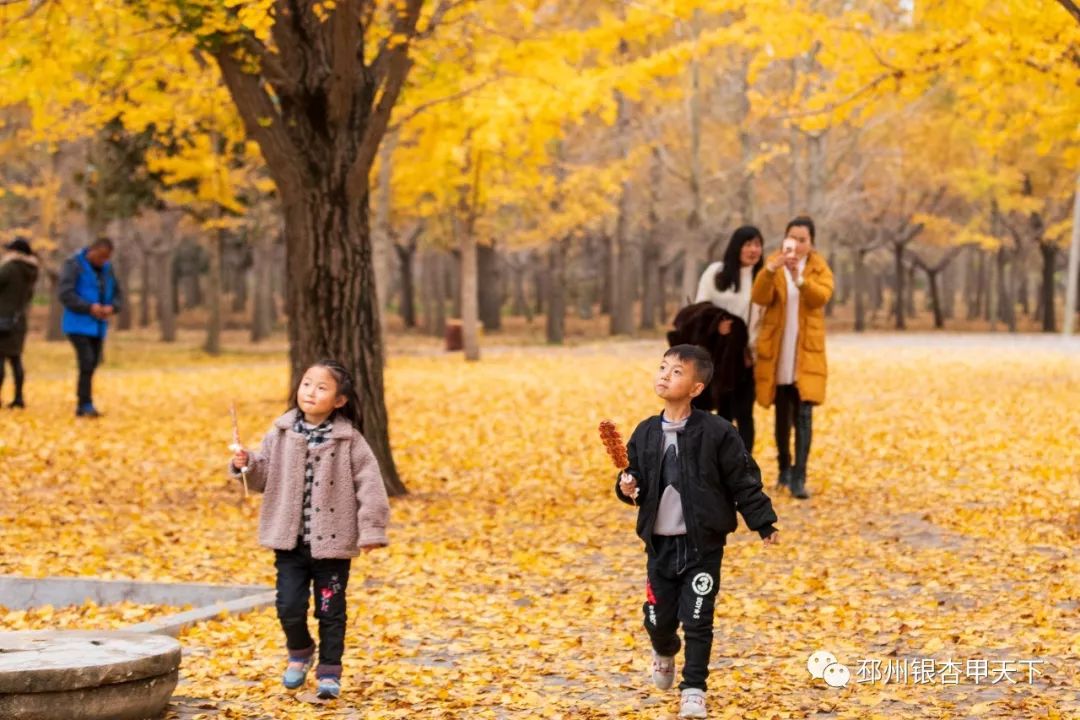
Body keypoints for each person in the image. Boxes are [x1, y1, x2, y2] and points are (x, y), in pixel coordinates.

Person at [616, 344, 779, 719]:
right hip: (659, 547)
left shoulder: (718, 432)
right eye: (663, 367)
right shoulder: (645, 432)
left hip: (702, 546)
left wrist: (763, 522)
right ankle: (664, 648)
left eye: (677, 372)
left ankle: (693, 689)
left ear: (696, 388)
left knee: (698, 618)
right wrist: (626, 487)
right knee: (658, 620)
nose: (665, 375)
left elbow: (742, 479)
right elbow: (634, 480)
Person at [230, 359, 390, 700]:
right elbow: (261, 477)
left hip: (332, 546)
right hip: (290, 544)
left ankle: (329, 671)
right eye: (306, 384)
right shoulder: (281, 432)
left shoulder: (349, 440)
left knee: (331, 611)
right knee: (289, 606)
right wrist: (245, 464)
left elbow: (371, 486)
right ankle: (300, 650)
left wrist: (372, 530)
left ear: (339, 400)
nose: (310, 392)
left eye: (321, 387)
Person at [751, 216, 834, 500]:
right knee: (782, 415)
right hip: (779, 351)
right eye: (792, 238)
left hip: (806, 353)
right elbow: (759, 297)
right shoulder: (773, 264)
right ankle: (784, 470)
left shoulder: (818, 267)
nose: (796, 245)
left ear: (811, 243)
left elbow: (821, 297)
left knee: (804, 414)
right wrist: (769, 271)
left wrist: (799, 279)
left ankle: (800, 476)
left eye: (802, 239)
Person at [693, 226, 765, 451]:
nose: (753, 250)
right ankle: (718, 463)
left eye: (757, 244)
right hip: (718, 356)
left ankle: (744, 465)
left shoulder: (763, 278)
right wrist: (717, 326)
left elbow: (765, 319)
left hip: (746, 358)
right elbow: (699, 308)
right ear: (736, 247)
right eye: (748, 244)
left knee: (745, 414)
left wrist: (755, 352)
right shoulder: (715, 273)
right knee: (721, 413)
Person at [58, 236, 123, 417]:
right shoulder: (73, 265)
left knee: (92, 363)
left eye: (107, 257)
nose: (103, 261)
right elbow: (65, 294)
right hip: (77, 324)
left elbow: (118, 294)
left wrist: (112, 307)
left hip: (98, 326)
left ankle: (86, 402)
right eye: (101, 256)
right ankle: (84, 404)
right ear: (92, 251)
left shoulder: (108, 269)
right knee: (86, 361)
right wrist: (89, 307)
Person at [0, 237, 40, 409]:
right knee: (16, 359)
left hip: (2, 318)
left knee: (0, 358)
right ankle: (18, 397)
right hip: (18, 320)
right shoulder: (32, 270)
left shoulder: (10, 267)